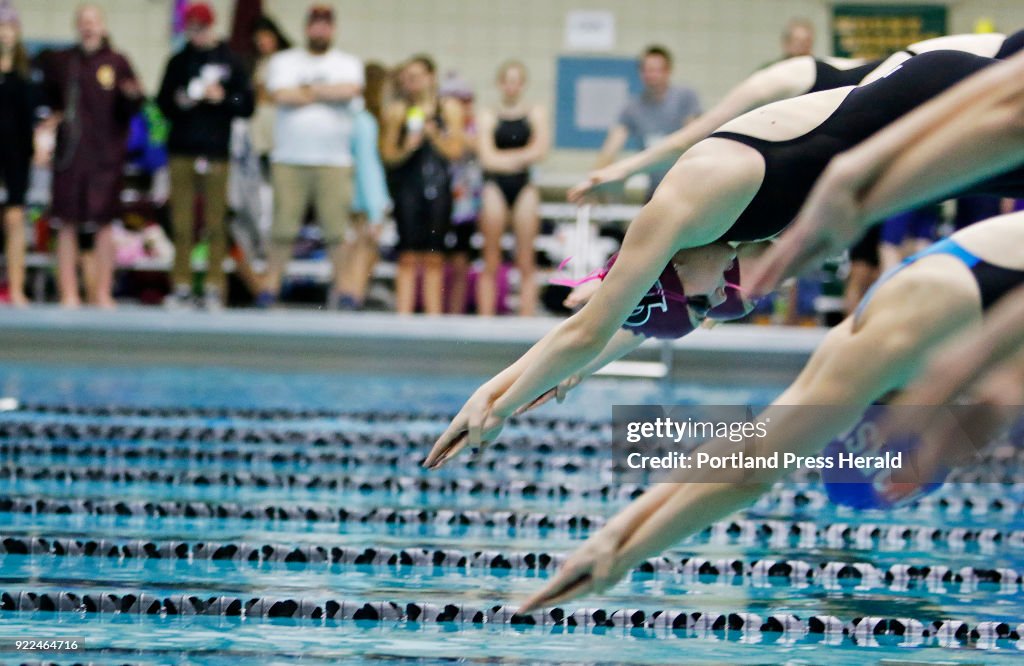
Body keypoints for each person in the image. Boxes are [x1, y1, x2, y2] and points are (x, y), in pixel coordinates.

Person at [422, 51, 1024, 470]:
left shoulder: (689, 203)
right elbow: (623, 324)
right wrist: (580, 367)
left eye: (705, 301)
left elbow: (588, 326)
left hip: (945, 97)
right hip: (943, 134)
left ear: (673, 272)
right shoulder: (717, 244)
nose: (723, 302)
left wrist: (492, 405)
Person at [514, 212, 1024, 612]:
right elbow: (755, 449)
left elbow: (753, 463)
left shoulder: (896, 338)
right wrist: (617, 544)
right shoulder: (897, 344)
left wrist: (619, 549)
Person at [569, 29, 1024, 202]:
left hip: (933, 72)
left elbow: (690, 136)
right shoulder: (797, 134)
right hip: (927, 91)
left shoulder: (784, 80)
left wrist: (624, 168)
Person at [747, 47, 1024, 295]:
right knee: (869, 256)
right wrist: (858, 181)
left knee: (878, 250)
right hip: (931, 89)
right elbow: (1011, 112)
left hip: (937, 91)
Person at [259, 3, 363, 309]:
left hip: (334, 161)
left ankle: (344, 288)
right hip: (290, 158)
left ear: (333, 29)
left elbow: (351, 90)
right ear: (306, 28)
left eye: (325, 24)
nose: (320, 30)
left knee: (335, 230)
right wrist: (327, 92)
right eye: (315, 24)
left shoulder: (348, 63)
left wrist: (306, 91)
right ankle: (270, 286)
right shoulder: (284, 61)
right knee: (282, 228)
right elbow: (279, 94)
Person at [41, 3, 142, 308]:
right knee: (66, 223)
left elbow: (132, 108)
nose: (88, 26)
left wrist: (133, 98)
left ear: (104, 26)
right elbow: (49, 103)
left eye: (94, 21)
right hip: (71, 156)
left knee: (105, 224)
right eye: (83, 21)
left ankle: (102, 292)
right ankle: (69, 292)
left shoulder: (118, 62)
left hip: (105, 158)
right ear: (76, 26)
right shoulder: (64, 63)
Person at [156, 2, 254, 311]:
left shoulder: (230, 61)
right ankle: (182, 284)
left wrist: (223, 98)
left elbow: (246, 102)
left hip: (216, 153)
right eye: (191, 28)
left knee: (215, 223)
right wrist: (179, 101)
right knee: (182, 223)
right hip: (183, 150)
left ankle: (214, 285)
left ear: (211, 27)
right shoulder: (178, 61)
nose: (196, 34)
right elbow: (162, 102)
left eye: (201, 28)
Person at [380, 55, 465, 315]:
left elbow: (456, 151)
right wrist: (407, 148)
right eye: (407, 79)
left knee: (434, 257)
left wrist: (434, 136)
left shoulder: (447, 108)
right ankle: (403, 316)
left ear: (431, 77)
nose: (411, 83)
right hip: (408, 188)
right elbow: (388, 155)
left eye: (416, 77)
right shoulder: (397, 111)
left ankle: (433, 317)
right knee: (407, 256)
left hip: (438, 188)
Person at [476, 61, 549, 316]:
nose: (511, 85)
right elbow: (486, 158)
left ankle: (525, 318)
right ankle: (486, 318)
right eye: (507, 80)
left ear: (523, 84)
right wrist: (521, 157)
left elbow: (540, 151)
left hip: (524, 187)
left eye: (516, 80)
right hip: (495, 186)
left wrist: (503, 159)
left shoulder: (535, 113)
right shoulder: (488, 115)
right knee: (491, 259)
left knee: (526, 260)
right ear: (499, 83)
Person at [593, 45, 701, 199]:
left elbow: (694, 139)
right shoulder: (632, 107)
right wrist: (597, 178)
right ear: (641, 73)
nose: (652, 75)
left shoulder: (685, 97)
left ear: (668, 71)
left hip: (686, 184)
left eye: (657, 70)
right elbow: (611, 148)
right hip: (655, 187)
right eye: (648, 70)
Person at [335, 61, 391, 311]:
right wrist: (376, 211)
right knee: (361, 253)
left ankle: (347, 296)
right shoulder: (365, 122)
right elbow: (368, 168)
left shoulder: (345, 119)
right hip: (362, 201)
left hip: (346, 196)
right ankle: (351, 297)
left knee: (349, 253)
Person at [438, 70, 481, 315]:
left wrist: (456, 128)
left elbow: (472, 147)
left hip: (465, 205)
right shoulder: (436, 126)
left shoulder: (473, 127)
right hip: (439, 200)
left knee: (461, 260)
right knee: (436, 260)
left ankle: (455, 311)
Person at [0, 0, 33, 307]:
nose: (4, 34)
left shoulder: (26, 73)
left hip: (16, 157)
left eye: (9, 28)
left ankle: (18, 287)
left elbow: (32, 119)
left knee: (15, 220)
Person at [249, 15, 291, 178]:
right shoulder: (257, 62)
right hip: (260, 123)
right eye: (258, 39)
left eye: (266, 37)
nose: (262, 42)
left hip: (279, 122)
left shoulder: (287, 60)